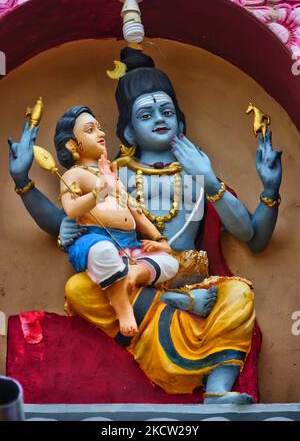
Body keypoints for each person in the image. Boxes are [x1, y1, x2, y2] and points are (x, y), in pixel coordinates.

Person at [8, 47, 282, 403]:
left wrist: (263, 188)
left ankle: (217, 389)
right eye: (146, 113)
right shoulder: (113, 174)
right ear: (128, 131)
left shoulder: (198, 173)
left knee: (239, 295)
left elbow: (253, 238)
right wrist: (23, 183)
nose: (159, 118)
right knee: (79, 288)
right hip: (133, 279)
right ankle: (169, 303)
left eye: (167, 111)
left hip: (193, 282)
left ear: (181, 123)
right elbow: (68, 220)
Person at [54, 105, 179, 336]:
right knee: (103, 252)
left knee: (171, 263)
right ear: (72, 145)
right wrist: (99, 193)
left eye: (99, 128)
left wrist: (160, 240)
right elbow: (71, 210)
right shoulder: (73, 175)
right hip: (95, 240)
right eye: (90, 130)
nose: (101, 134)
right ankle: (122, 308)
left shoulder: (110, 174)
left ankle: (133, 275)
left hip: (128, 245)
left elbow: (136, 213)